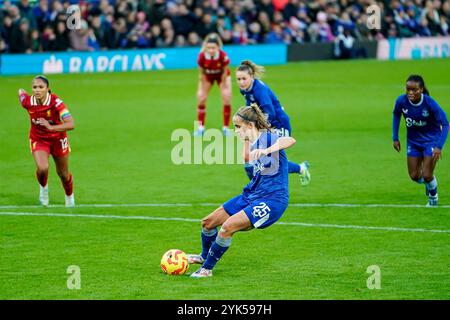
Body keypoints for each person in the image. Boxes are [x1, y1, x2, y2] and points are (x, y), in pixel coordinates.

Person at [188, 104, 296, 277]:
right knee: (207, 223)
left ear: (250, 125)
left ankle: (206, 269)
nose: (236, 131)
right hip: (251, 194)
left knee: (227, 227)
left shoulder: (267, 138)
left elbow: (290, 140)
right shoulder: (252, 143)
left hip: (272, 200)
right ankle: (203, 256)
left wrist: (266, 150)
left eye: (238, 127)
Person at [235, 59, 311, 185]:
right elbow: (250, 108)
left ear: (251, 76)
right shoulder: (245, 90)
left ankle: (300, 169)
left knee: (271, 159)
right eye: (238, 79)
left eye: (244, 78)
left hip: (278, 123)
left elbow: (270, 112)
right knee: (269, 159)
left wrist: (260, 128)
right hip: (268, 124)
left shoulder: (259, 90)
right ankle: (301, 169)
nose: (241, 82)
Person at [18, 75, 75, 207]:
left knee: (63, 174)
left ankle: (69, 196)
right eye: (34, 87)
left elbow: (71, 123)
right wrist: (21, 91)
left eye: (41, 87)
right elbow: (21, 94)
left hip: (58, 139)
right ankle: (43, 190)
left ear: (48, 89)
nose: (37, 90)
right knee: (42, 168)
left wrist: (51, 127)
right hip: (39, 139)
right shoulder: (27, 102)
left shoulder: (56, 102)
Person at [392, 74, 449, 206]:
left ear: (421, 89)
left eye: (414, 90)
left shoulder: (430, 103)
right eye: (408, 89)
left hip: (431, 141)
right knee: (414, 176)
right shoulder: (401, 101)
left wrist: (439, 146)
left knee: (427, 174)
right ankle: (429, 184)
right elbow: (396, 114)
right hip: (413, 142)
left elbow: (446, 124)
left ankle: (433, 198)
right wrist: (395, 137)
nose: (410, 93)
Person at [195, 33, 232, 136]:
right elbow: (201, 72)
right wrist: (202, 87)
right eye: (209, 48)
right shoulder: (202, 56)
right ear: (206, 47)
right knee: (201, 98)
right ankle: (200, 128)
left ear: (218, 47)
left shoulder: (223, 56)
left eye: (213, 48)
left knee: (226, 97)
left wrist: (224, 86)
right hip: (207, 76)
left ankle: (226, 128)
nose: (211, 50)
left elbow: (225, 72)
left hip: (222, 76)